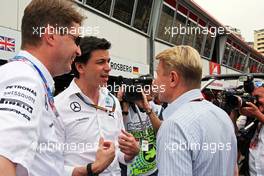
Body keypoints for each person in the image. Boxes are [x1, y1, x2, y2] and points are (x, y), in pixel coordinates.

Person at [0, 0, 84, 175]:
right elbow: (3, 158)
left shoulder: (29, 77)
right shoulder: (24, 78)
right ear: (51, 36)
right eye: (75, 40)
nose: (78, 51)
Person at [54, 36, 140, 176]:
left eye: (108, 61)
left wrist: (130, 152)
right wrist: (92, 169)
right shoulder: (58, 106)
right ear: (80, 67)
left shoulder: (112, 101)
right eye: (101, 62)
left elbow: (118, 152)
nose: (108, 68)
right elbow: (50, 166)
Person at [153, 46, 237, 176]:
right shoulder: (223, 116)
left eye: (157, 74)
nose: (155, 82)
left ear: (173, 78)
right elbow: (234, 170)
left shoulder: (175, 126)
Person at [117, 83, 161, 176]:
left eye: (152, 87)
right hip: (131, 169)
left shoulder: (155, 108)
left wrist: (147, 109)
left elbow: (161, 131)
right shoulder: (124, 108)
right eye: (146, 88)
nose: (152, 90)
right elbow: (115, 131)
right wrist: (120, 104)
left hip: (153, 168)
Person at [238, 86, 264, 176]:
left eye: (258, 96)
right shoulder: (251, 120)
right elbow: (234, 135)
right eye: (254, 96)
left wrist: (257, 113)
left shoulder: (257, 115)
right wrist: (234, 111)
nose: (255, 100)